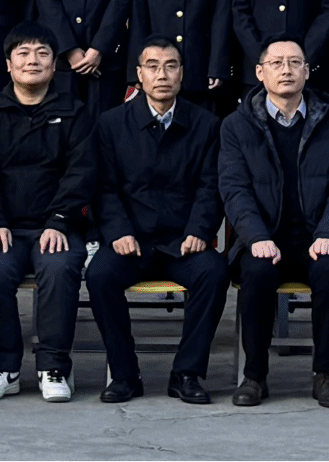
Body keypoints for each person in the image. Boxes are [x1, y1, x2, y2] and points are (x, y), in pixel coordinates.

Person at [86, 39, 229, 405]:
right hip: (131, 242)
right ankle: (124, 374)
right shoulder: (111, 123)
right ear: (139, 74)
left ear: (182, 73)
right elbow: (103, 187)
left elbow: (211, 187)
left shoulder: (206, 124)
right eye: (152, 66)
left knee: (213, 272)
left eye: (170, 66)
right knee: (100, 275)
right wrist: (118, 232)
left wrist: (199, 230)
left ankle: (187, 373)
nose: (161, 74)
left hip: (181, 243)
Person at [219, 39, 329, 408]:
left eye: (295, 62)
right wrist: (256, 237)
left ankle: (325, 374)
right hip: (264, 237)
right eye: (276, 63)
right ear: (259, 72)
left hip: (316, 237)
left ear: (307, 72)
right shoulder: (236, 125)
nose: (286, 70)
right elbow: (234, 190)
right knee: (257, 272)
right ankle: (255, 375)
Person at [0, 23, 97, 403]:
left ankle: (53, 367)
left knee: (59, 268)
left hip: (57, 226)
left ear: (54, 65)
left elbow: (82, 172)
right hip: (5, 228)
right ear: (8, 64)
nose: (33, 60)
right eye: (23, 53)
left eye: (42, 53)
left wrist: (59, 220)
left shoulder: (75, 112)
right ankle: (4, 368)